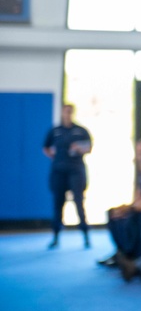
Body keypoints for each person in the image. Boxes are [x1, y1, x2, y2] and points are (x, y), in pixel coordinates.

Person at [43, 103, 92, 250]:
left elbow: (89, 147)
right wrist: (53, 155)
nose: (67, 114)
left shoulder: (81, 131)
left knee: (78, 202)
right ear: (61, 113)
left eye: (70, 112)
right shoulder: (55, 131)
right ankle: (55, 237)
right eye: (65, 112)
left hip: (76, 170)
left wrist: (79, 149)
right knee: (58, 203)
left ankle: (85, 236)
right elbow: (45, 147)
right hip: (58, 171)